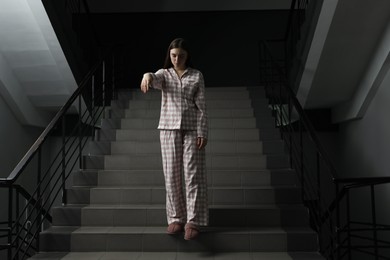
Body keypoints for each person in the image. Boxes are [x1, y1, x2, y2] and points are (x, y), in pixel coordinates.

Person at [140, 38, 208, 240]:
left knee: (192, 175)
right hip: (168, 129)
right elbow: (154, 77)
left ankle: (193, 221)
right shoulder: (165, 75)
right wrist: (147, 75)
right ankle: (176, 219)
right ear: (169, 55)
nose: (177, 59)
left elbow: (202, 107)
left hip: (191, 129)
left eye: (181, 55)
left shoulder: (196, 76)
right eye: (173, 55)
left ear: (188, 56)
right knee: (171, 175)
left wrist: (202, 131)